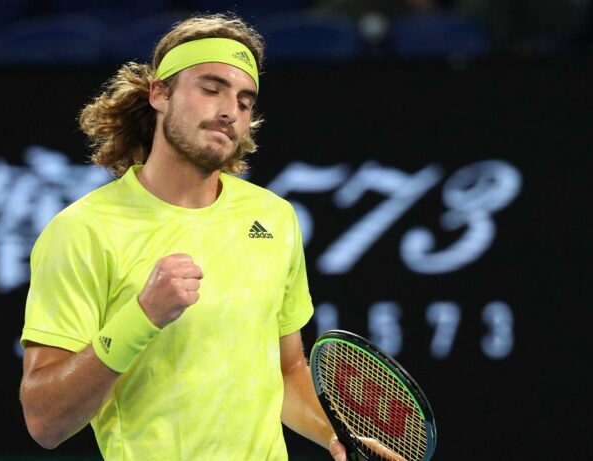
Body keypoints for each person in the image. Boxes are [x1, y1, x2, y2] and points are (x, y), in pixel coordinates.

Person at [19, 13, 350, 461]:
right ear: (160, 93)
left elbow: (287, 368)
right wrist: (142, 317)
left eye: (245, 101)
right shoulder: (83, 230)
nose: (230, 111)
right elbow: (45, 421)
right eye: (211, 89)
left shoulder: (274, 218)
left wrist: (335, 436)